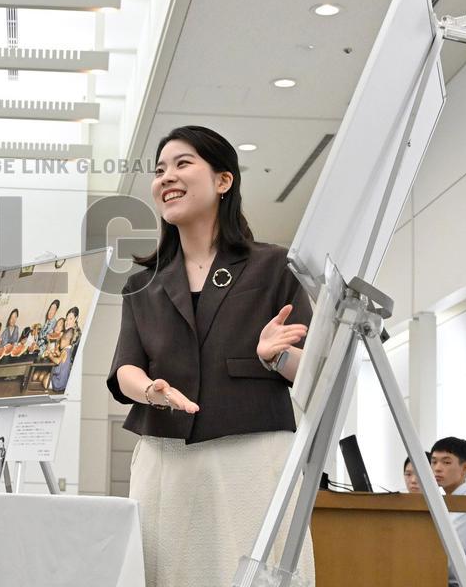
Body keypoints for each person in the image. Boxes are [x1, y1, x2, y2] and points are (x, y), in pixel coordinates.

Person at [107, 125, 314, 587]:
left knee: (251, 572)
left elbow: (314, 371)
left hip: (251, 456)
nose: (166, 177)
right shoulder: (143, 283)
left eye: (183, 164)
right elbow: (125, 369)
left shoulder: (275, 267)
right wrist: (152, 391)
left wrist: (276, 358)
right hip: (165, 458)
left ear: (224, 180)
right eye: (159, 170)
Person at [430, 437, 466, 585]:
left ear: (465, 468)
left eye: (446, 462)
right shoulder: (450, 501)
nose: (437, 468)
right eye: (434, 462)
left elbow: (446, 560)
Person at [49, 328, 76, 392]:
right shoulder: (68, 350)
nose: (59, 343)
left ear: (65, 340)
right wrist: (58, 352)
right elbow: (63, 358)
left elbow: (58, 361)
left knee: (44, 378)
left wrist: (50, 356)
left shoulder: (64, 351)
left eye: (60, 341)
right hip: (64, 383)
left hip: (58, 383)